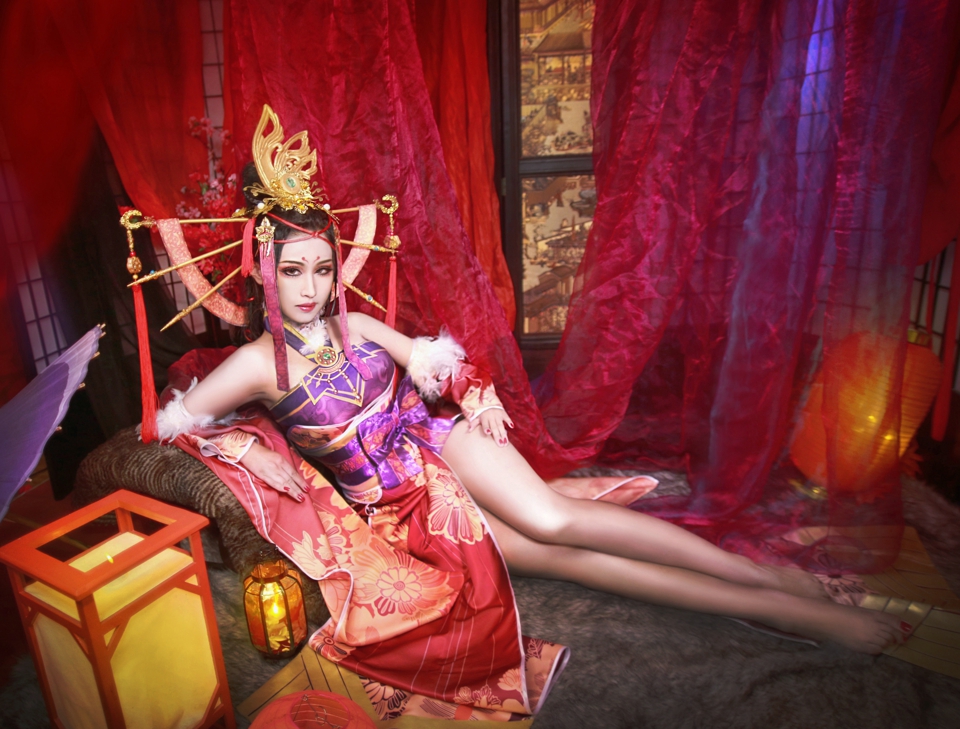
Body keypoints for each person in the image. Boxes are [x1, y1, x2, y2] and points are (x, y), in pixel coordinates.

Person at [157, 106, 907, 720]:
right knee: (559, 556)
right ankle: (786, 609)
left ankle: (775, 587)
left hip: (438, 440)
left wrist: (475, 392)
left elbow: (438, 366)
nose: (310, 288)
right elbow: (166, 426)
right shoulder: (252, 365)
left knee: (553, 520)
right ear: (261, 268)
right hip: (401, 509)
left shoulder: (356, 324)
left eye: (322, 268)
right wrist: (248, 448)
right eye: (292, 270)